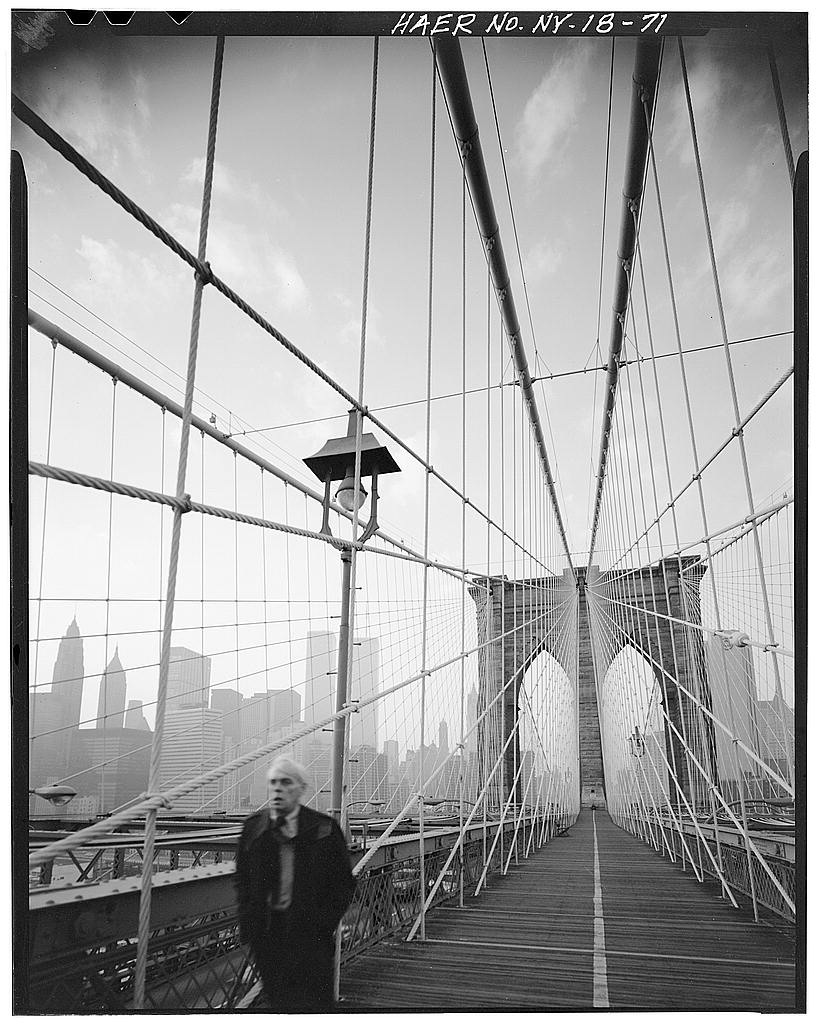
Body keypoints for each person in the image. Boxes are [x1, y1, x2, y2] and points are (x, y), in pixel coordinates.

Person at [234, 757, 356, 1011]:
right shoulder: (254, 828)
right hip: (269, 938)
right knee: (279, 1003)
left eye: (286, 782)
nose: (278, 788)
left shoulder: (325, 829)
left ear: (301, 789)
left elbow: (343, 883)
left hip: (311, 939)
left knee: (317, 1005)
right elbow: (242, 880)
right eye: (273, 782)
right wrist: (252, 930)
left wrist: (322, 924)